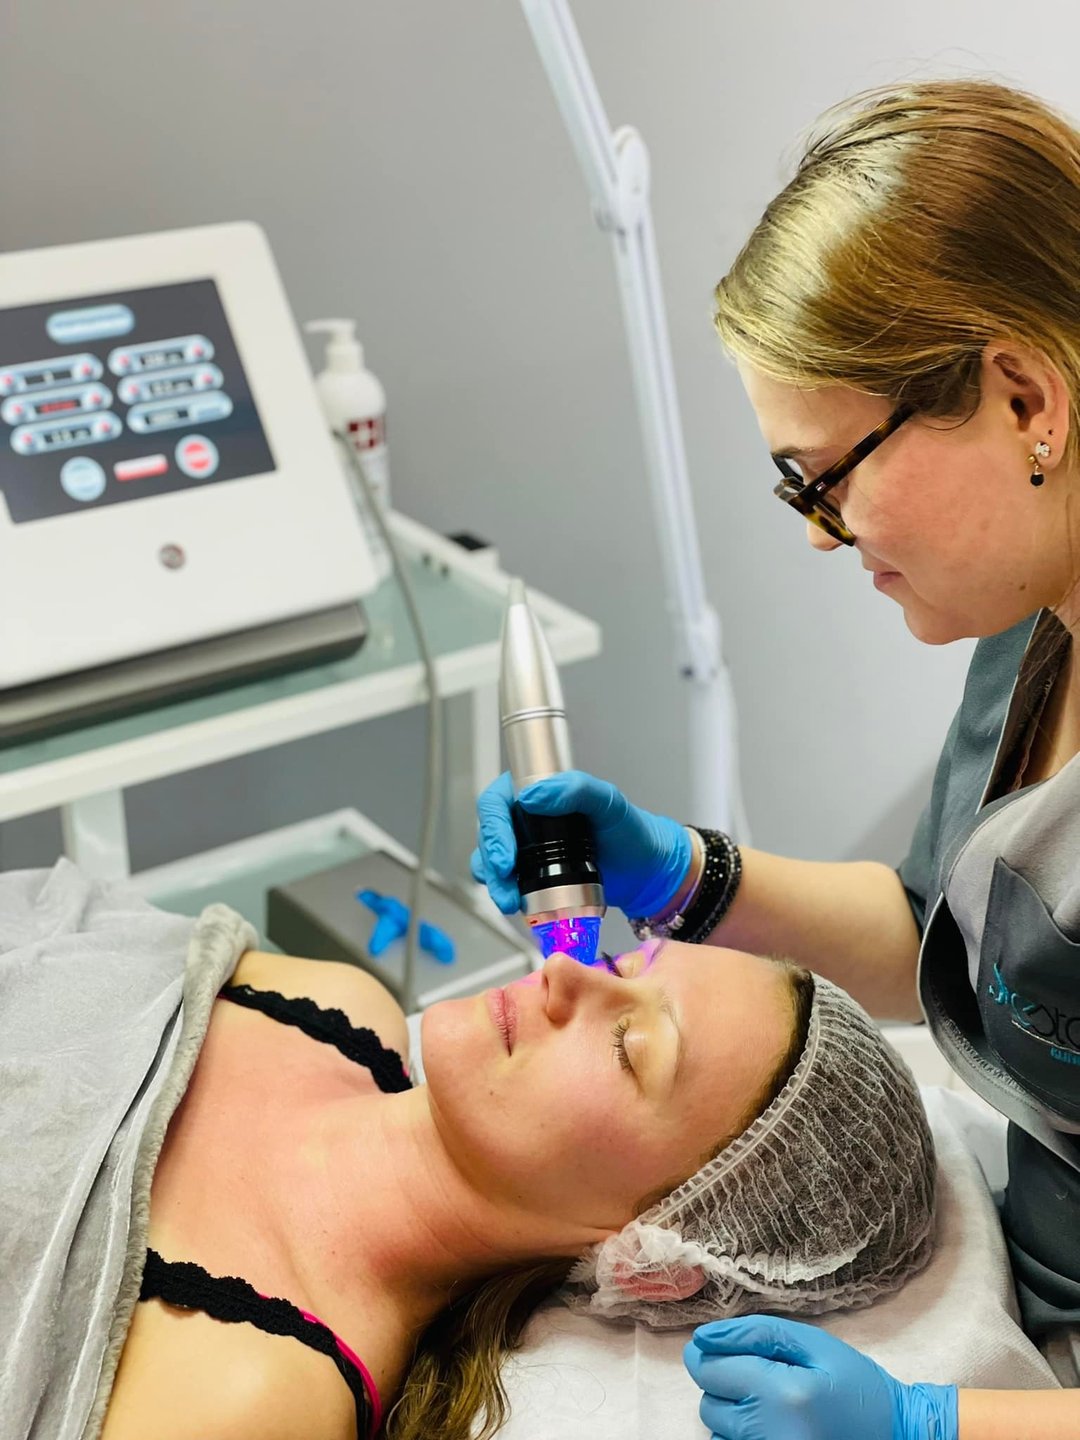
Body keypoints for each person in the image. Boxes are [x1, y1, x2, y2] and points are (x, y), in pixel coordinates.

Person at [473, 75, 1080, 1440]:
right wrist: (684, 876)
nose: (817, 533)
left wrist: (932, 1428)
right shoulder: (1033, 617)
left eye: (826, 477)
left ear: (1024, 396)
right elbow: (944, 937)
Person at [3, 863, 932, 1440]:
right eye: (622, 967)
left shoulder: (256, 1392)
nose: (564, 972)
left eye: (630, 1047)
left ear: (650, 1261)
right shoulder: (338, 1005)